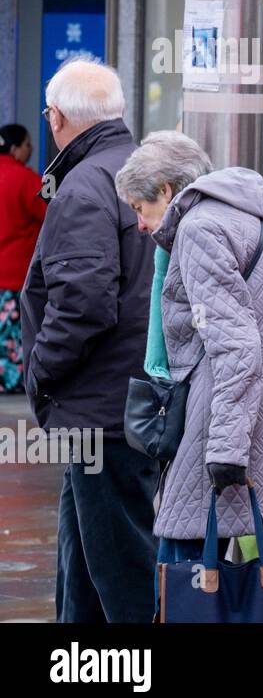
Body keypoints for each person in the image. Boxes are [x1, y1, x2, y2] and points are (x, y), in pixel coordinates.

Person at [114, 131, 263, 591]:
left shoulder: (199, 231)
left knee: (182, 580)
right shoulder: (257, 224)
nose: (141, 226)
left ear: (165, 189)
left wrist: (224, 450)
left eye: (140, 210)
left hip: (213, 429)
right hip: (251, 421)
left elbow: (236, 345)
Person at [20, 58, 157, 622]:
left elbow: (83, 303)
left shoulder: (84, 184)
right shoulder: (139, 170)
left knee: (121, 568)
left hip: (102, 409)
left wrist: (40, 373)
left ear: (56, 117)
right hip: (130, 401)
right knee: (85, 561)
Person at [0, 124, 46, 394]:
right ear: (16, 148)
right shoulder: (27, 180)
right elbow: (52, 216)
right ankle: (12, 384)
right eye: (28, 144)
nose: (30, 150)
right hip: (14, 276)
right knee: (13, 338)